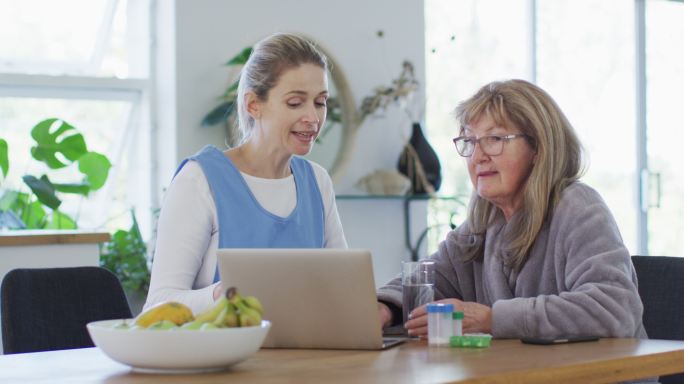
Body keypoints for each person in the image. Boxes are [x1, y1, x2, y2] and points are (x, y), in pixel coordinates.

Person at [377, 79, 646, 340]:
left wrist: (493, 319)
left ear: (538, 148)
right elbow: (428, 278)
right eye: (469, 142)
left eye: (494, 138)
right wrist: (386, 307)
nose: (478, 156)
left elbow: (614, 309)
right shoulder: (483, 222)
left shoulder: (578, 207)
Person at [145, 33, 347, 315]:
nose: (313, 118)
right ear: (254, 105)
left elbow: (342, 287)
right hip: (221, 356)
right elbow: (157, 305)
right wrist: (222, 294)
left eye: (320, 102)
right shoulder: (199, 180)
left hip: (304, 355)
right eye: (295, 103)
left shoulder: (317, 181)